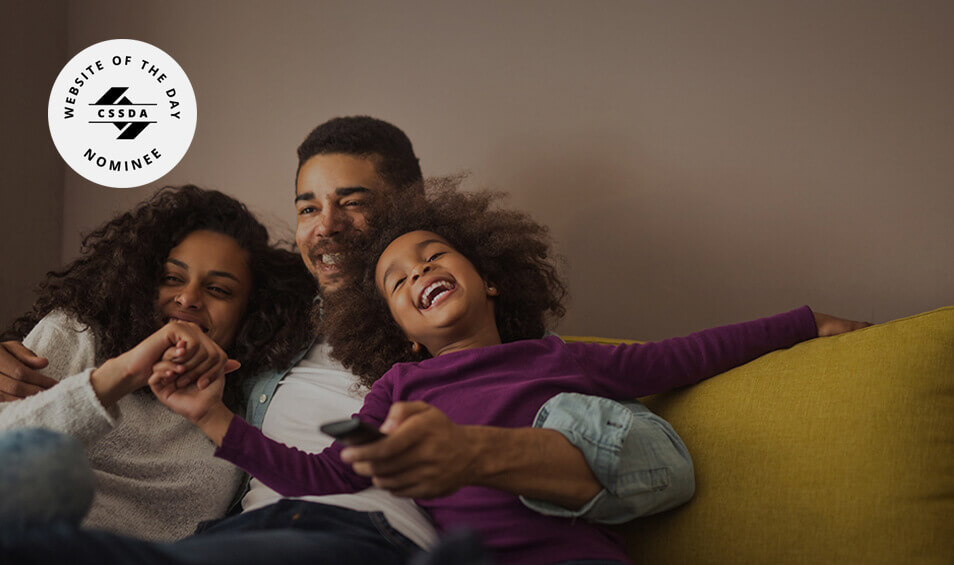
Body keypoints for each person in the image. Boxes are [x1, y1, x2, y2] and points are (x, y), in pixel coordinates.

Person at [148, 183, 868, 565]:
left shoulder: (560, 357)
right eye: (397, 281)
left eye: (432, 255)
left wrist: (806, 323)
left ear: (488, 279)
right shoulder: (401, 390)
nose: (419, 271)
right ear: (397, 329)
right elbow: (324, 475)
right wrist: (213, 415)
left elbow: (689, 354)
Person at [0, 185, 315, 540]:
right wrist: (124, 373)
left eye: (219, 290)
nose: (188, 298)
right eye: (172, 278)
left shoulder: (238, 410)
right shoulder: (76, 333)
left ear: (251, 311)